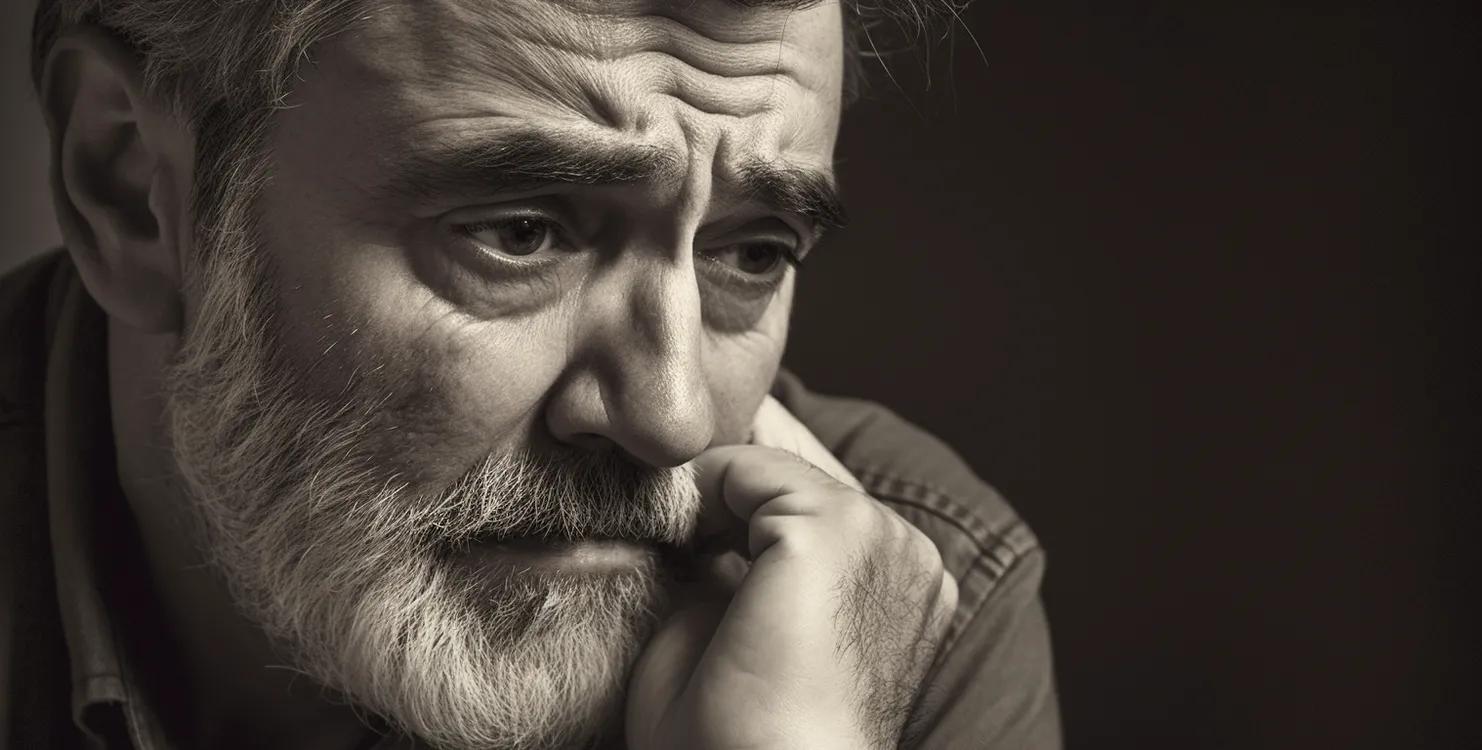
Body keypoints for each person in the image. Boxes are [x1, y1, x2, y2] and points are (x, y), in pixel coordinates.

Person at [0, 1, 1061, 748]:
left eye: (751, 252)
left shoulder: (887, 610)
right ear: (133, 193)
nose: (673, 419)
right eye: (521, 233)